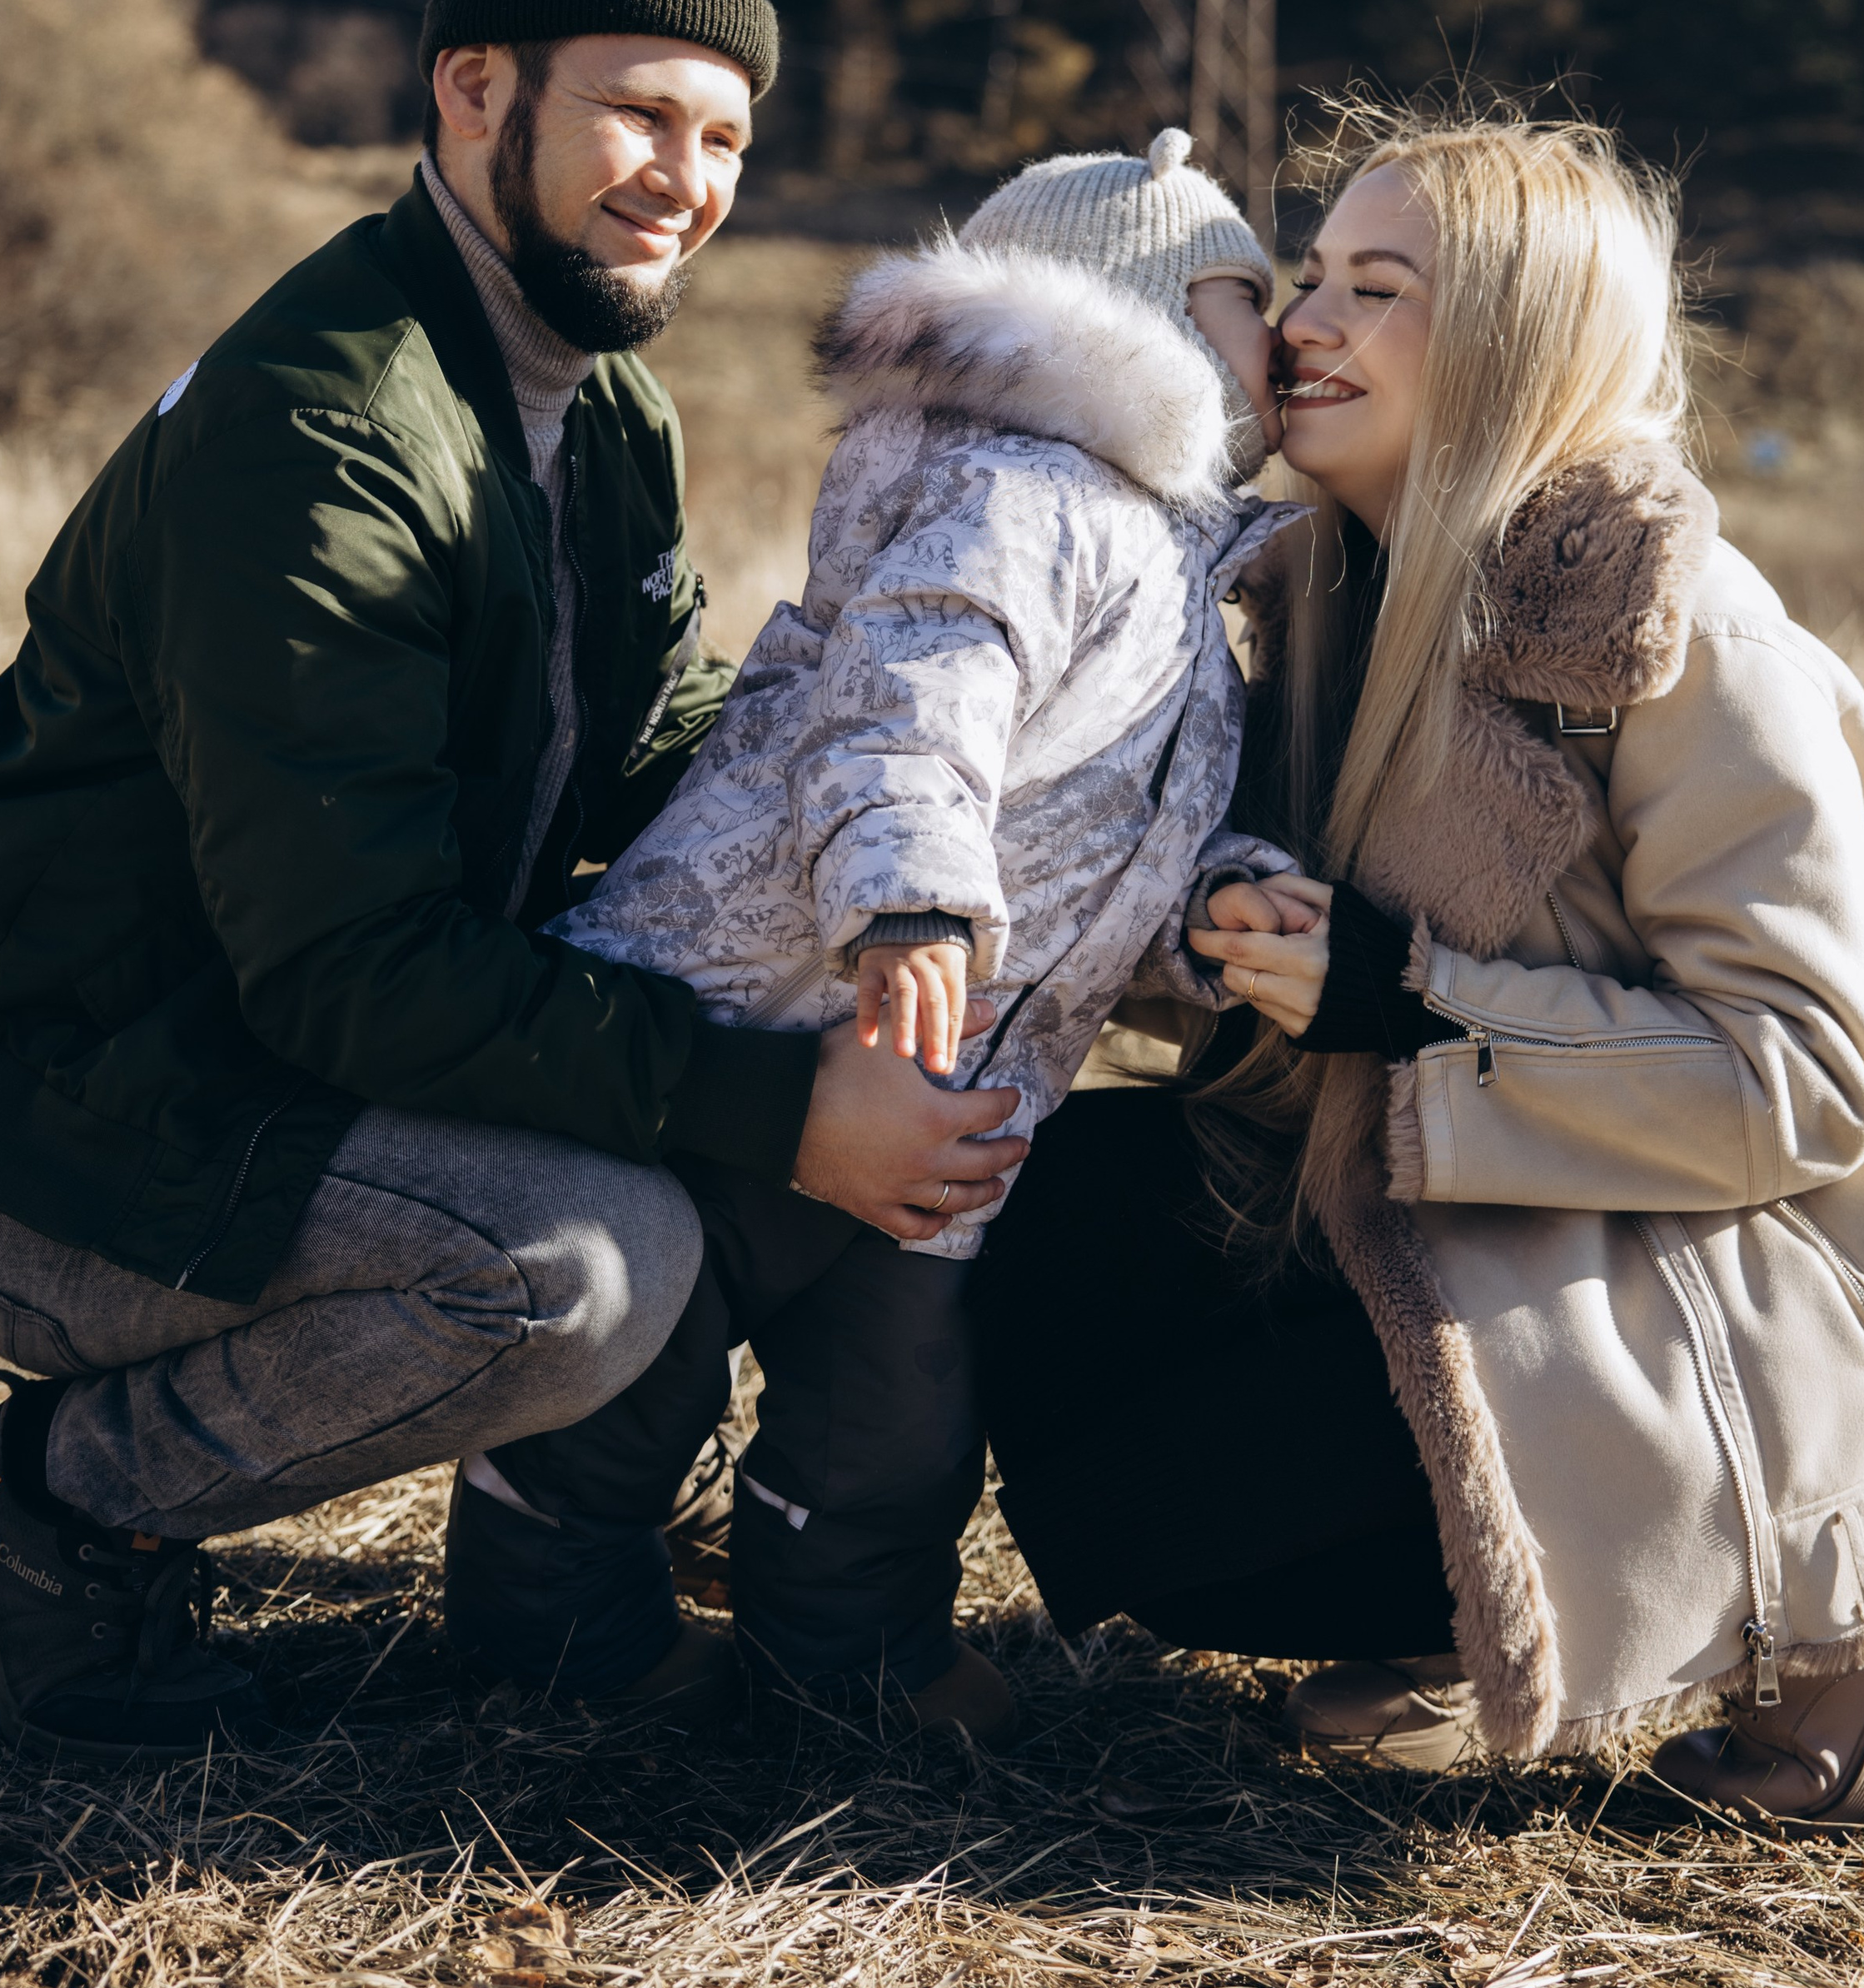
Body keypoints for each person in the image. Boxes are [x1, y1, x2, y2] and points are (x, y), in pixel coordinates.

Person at [0, 0, 1020, 1765]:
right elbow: (351, 971)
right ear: (472, 91)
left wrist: (886, 869)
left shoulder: (599, 408)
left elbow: (662, 740)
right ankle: (50, 1508)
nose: (686, 174)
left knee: (689, 1136)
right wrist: (778, 1110)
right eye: (638, 111)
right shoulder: (322, 433)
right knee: (583, 1269)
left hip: (236, 1079)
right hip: (66, 1132)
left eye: (726, 133)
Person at [976, 97, 1864, 1829]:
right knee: (1062, 1224)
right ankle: (1460, 1607)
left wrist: (1400, 993)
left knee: (1186, 1527)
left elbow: (1806, 1087)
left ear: (1519, 342)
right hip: (1473, 1220)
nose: (1298, 323)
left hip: (1739, 1299)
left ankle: (1835, 1614)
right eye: (1306, 276)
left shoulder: (1680, 641)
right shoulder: (1312, 605)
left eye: (1372, 287)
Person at [463, 132, 1296, 1741]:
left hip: (952, 1091)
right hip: (762, 1020)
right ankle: (555, 1637)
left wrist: (1212, 920)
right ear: (1146, 321)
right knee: (634, 1386)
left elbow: (1109, 843)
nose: (1293, 334)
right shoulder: (1028, 500)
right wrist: (908, 894)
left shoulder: (1180, 571)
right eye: (1255, 300)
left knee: (897, 1417)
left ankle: (851, 1657)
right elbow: (914, 697)